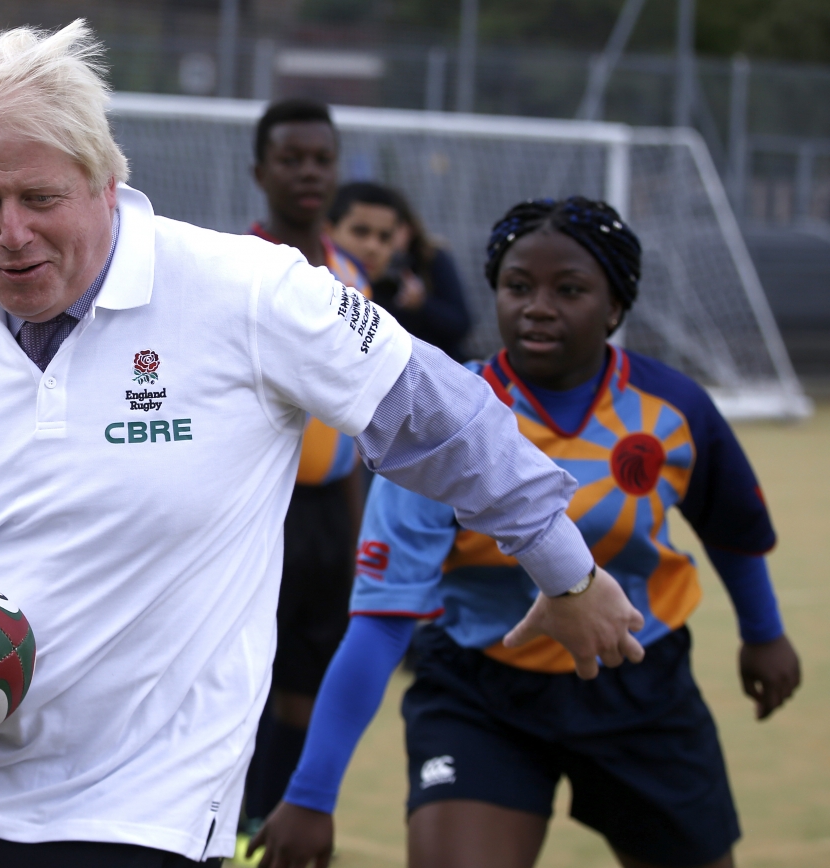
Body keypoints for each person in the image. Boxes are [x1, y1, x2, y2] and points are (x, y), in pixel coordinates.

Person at [0, 24, 645, 868]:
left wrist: (565, 573)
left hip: (144, 807)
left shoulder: (248, 292)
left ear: (106, 181)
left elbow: (447, 420)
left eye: (41, 197)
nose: (11, 235)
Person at [249, 197, 802, 868]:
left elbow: (733, 528)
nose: (538, 306)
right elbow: (383, 617)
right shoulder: (438, 419)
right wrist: (311, 793)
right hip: (483, 691)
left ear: (616, 306)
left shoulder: (674, 408)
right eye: (518, 287)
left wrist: (765, 633)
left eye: (568, 290)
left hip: (642, 684)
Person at [242, 99, 371, 845]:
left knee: (306, 689)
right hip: (259, 513)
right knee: (244, 685)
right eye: (291, 159)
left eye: (321, 158)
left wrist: (357, 537)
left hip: (329, 517)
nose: (308, 172)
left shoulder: (352, 276)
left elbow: (352, 426)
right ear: (260, 171)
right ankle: (228, 829)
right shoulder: (240, 267)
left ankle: (275, 827)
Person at [327, 182, 471, 360]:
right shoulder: (311, 287)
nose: (373, 247)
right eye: (360, 232)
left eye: (385, 237)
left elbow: (460, 324)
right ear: (328, 230)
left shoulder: (421, 267)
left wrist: (422, 306)